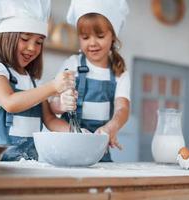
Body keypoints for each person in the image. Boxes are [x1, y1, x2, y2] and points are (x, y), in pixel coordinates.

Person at [0, 0, 75, 161]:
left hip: (28, 163)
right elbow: (10, 102)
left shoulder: (33, 81)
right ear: (6, 37)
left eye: (39, 42)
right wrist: (52, 87)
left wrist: (78, 133)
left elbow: (50, 120)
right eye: (25, 38)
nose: (32, 47)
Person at [50, 0, 130, 162]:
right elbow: (51, 107)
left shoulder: (119, 72)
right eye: (85, 37)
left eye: (100, 36)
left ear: (113, 36)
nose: (92, 43)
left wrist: (110, 128)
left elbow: (123, 109)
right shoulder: (72, 64)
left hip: (100, 151)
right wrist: (60, 104)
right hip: (68, 147)